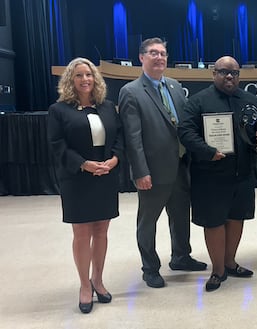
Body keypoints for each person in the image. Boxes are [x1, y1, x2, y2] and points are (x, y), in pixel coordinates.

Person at [119, 37, 207, 289]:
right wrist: (140, 171)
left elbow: (185, 126)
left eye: (163, 53)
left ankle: (181, 256)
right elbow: (132, 138)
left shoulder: (175, 86)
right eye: (153, 53)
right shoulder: (131, 92)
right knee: (148, 222)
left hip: (180, 166)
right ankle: (150, 268)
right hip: (152, 172)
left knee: (180, 216)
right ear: (141, 58)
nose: (159, 57)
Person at [178, 56, 257, 291]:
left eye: (235, 73)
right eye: (224, 72)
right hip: (210, 176)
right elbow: (185, 132)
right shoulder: (198, 102)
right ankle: (217, 270)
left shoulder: (249, 100)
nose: (230, 76)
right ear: (213, 73)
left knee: (237, 217)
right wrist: (208, 151)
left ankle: (230, 262)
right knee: (214, 221)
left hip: (243, 173)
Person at [48, 57, 123, 313]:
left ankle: (98, 280)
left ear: (95, 79)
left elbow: (119, 137)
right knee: (82, 233)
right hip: (77, 178)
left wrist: (114, 159)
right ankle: (84, 285)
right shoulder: (59, 110)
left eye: (89, 75)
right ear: (71, 80)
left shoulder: (107, 106)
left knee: (101, 231)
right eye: (79, 75)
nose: (85, 79)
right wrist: (84, 164)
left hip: (105, 176)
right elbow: (57, 145)